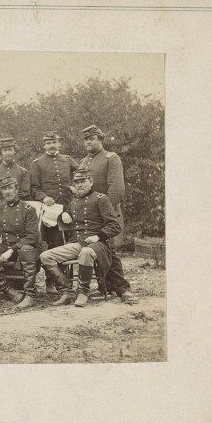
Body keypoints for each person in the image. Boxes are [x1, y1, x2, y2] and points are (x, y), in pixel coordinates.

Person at [39, 170, 122, 307]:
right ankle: (68, 291)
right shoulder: (73, 202)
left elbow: (114, 226)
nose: (79, 185)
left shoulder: (101, 199)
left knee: (86, 253)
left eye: (83, 181)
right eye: (76, 182)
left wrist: (97, 236)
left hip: (98, 244)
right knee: (45, 256)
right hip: (78, 242)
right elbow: (62, 217)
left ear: (91, 182)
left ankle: (83, 291)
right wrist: (64, 213)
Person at [77, 124, 136, 303]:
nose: (88, 142)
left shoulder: (111, 158)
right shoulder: (83, 162)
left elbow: (117, 188)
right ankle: (106, 288)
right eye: (86, 139)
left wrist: (105, 212)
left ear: (101, 139)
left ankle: (122, 288)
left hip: (107, 212)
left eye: (92, 138)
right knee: (99, 251)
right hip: (92, 215)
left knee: (109, 250)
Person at [0, 175, 42, 309]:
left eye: (10, 188)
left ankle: (30, 295)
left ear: (17, 189)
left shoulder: (28, 209)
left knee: (26, 250)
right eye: (4, 189)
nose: (7, 192)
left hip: (25, 248)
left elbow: (33, 236)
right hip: (5, 247)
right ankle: (8, 291)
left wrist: (12, 249)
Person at [29, 131, 79, 295]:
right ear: (44, 146)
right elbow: (34, 189)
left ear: (59, 143)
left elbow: (81, 174)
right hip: (49, 211)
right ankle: (51, 282)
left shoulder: (67, 160)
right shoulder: (37, 163)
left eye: (54, 142)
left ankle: (67, 282)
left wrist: (74, 186)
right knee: (52, 245)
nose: (51, 146)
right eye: (48, 143)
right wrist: (44, 197)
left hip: (67, 208)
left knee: (67, 244)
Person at [0, 136, 30, 206]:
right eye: (5, 150)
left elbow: (25, 193)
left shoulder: (23, 172)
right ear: (1, 152)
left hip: (18, 207)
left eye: (10, 150)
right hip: (0, 208)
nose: (7, 153)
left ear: (14, 151)